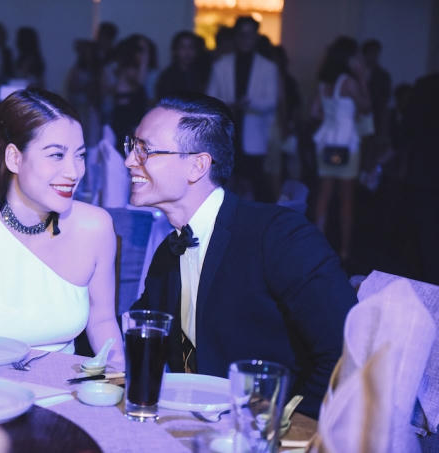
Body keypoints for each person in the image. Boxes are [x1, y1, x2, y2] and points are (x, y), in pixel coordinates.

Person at [126, 92, 357, 418]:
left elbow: (348, 350)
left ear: (197, 166)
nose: (129, 160)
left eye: (144, 150)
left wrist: (285, 428)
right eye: (132, 146)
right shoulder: (168, 252)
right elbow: (136, 330)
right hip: (189, 424)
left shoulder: (278, 236)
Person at [0, 89, 123, 362]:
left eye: (80, 155)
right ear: (14, 158)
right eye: (56, 155)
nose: (74, 172)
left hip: (69, 384)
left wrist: (123, 378)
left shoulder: (95, 228)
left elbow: (103, 322)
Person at [311, 36, 371, 263]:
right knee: (347, 199)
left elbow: (315, 112)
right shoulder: (349, 82)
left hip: (326, 142)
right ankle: (345, 250)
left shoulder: (324, 83)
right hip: (346, 144)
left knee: (324, 195)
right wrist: (363, 79)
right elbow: (367, 107)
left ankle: (316, 245)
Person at [206, 16, 279, 203]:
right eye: (242, 35)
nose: (246, 39)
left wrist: (248, 103)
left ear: (256, 37)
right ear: (236, 37)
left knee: (254, 183)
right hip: (227, 132)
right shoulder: (221, 65)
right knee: (224, 183)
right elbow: (210, 98)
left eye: (250, 35)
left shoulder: (268, 67)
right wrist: (229, 104)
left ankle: (251, 218)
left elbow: (271, 101)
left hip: (255, 134)